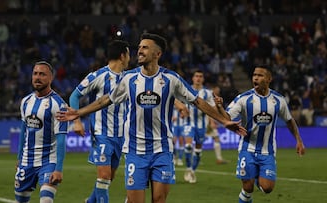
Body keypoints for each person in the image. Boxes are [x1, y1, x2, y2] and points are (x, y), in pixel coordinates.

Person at [56, 33, 246, 203]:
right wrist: (79, 113)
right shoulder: (129, 78)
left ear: (157, 54)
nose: (139, 51)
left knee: (159, 199)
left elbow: (198, 102)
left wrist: (225, 121)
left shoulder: (171, 79)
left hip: (162, 150)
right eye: (138, 48)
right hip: (134, 151)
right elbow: (106, 99)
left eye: (144, 47)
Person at [214, 65, 305, 203]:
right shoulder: (244, 99)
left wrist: (298, 140)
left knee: (267, 188)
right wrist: (219, 106)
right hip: (247, 149)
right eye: (254, 75)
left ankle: (257, 177)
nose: (256, 77)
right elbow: (227, 117)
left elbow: (289, 120)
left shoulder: (278, 100)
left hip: (267, 151)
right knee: (247, 188)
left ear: (269, 79)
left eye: (260, 75)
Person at [69, 40, 130, 203]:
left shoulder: (129, 78)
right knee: (103, 176)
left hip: (121, 136)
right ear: (123, 56)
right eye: (129, 54)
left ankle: (90, 201)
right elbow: (74, 95)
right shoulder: (98, 76)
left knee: (109, 178)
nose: (130, 58)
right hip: (102, 134)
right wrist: (76, 121)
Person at [14, 61, 68, 203]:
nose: (37, 77)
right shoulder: (25, 102)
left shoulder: (58, 104)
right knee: (21, 200)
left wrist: (59, 169)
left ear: (51, 78)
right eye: (35, 73)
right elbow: (23, 131)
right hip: (27, 160)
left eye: (42, 74)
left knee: (46, 200)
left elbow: (61, 139)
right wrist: (19, 158)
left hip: (48, 160)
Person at [183, 70, 217, 184]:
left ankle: (192, 171)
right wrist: (182, 109)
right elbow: (178, 100)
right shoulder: (186, 89)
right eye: (196, 76)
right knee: (187, 146)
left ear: (203, 79)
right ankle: (188, 169)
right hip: (188, 123)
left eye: (200, 76)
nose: (198, 78)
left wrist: (212, 122)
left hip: (201, 125)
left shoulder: (207, 93)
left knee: (197, 150)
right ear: (193, 78)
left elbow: (211, 109)